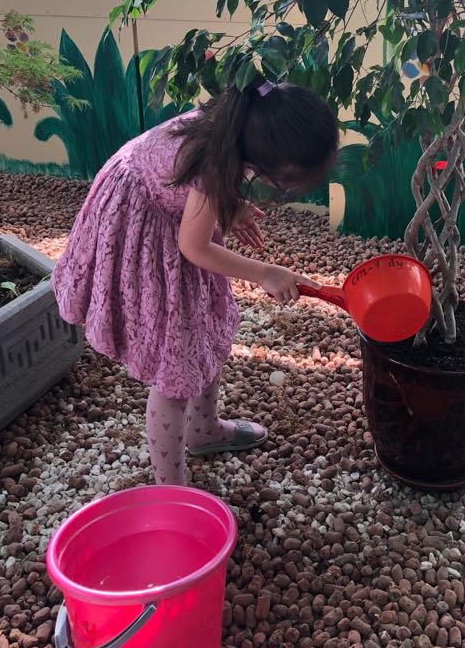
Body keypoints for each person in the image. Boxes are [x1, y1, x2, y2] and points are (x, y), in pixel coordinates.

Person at [52, 77, 338, 486]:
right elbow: (195, 247)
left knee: (206, 324)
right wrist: (266, 273)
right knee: (176, 360)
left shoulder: (237, 121)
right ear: (265, 163)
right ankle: (172, 492)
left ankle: (203, 430)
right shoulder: (213, 162)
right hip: (141, 226)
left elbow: (186, 187)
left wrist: (230, 206)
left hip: (164, 210)